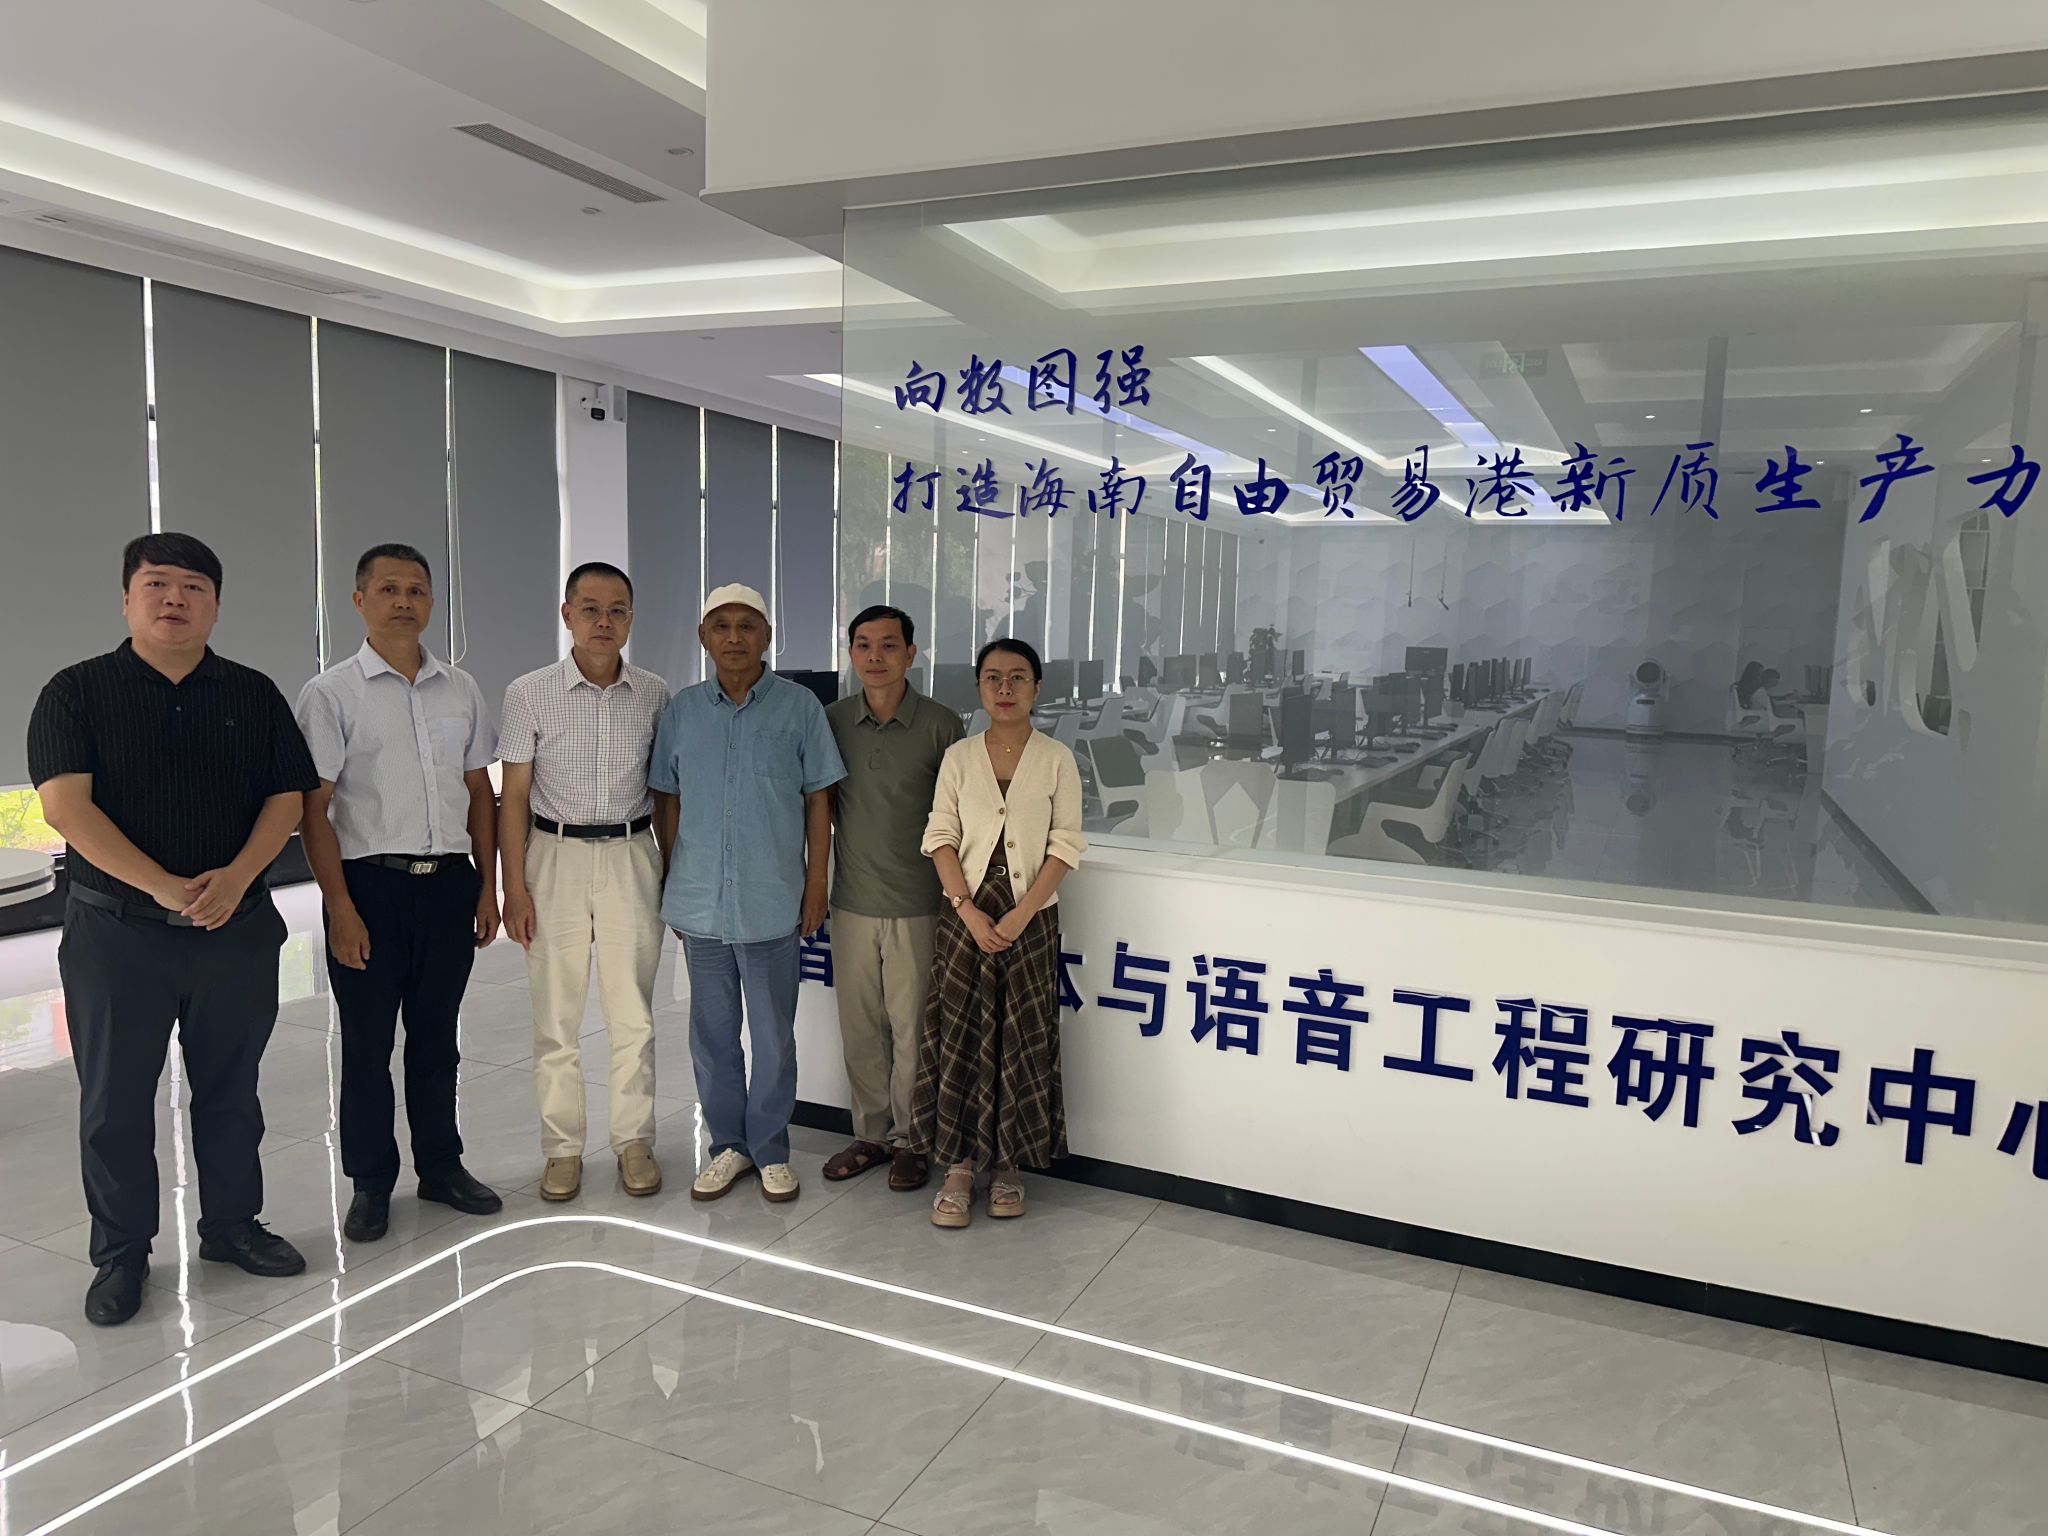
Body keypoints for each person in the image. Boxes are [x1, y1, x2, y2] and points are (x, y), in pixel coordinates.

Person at [28, 532, 317, 1326]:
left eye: (194, 587)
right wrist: (163, 885)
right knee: (115, 1102)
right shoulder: (75, 692)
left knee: (231, 1092)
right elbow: (65, 808)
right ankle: (121, 1254)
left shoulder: (253, 693)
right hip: (118, 935)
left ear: (216, 605)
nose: (175, 599)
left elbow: (287, 798)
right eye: (157, 583)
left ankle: (231, 1227)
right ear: (127, 599)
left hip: (234, 930)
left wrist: (239, 878)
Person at [295, 543, 502, 1245]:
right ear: (360, 601)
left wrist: (487, 888)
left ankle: (441, 1167)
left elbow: (479, 792)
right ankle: (371, 1182)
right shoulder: (330, 694)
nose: (404, 601)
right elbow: (314, 810)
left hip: (448, 886)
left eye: (416, 590)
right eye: (388, 589)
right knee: (367, 1045)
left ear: (432, 602)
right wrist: (340, 909)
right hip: (370, 888)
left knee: (437, 1039)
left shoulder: (461, 689)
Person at [649, 583, 844, 1205]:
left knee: (773, 1036)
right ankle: (727, 1146)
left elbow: (819, 800)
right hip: (701, 904)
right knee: (711, 1036)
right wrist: (675, 875)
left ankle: (770, 1148)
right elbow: (667, 800)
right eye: (721, 626)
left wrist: (817, 883)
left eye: (747, 626)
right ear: (704, 637)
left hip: (772, 901)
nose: (734, 637)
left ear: (767, 636)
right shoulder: (683, 710)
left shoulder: (799, 707)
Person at [498, 562, 671, 1202]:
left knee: (633, 1015)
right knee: (556, 1016)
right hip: (554, 856)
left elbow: (666, 790)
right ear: (566, 613)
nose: (604, 621)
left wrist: (672, 868)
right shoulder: (528, 692)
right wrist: (513, 888)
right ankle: (562, 1148)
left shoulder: (655, 694)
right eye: (591, 609)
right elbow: (514, 796)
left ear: (631, 619)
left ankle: (634, 1141)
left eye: (617, 610)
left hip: (631, 853)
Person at [915, 637, 1087, 1227]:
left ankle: (1008, 1164)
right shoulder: (959, 757)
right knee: (961, 1035)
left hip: (1029, 917)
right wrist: (966, 909)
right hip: (965, 914)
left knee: (1020, 1035)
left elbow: (1066, 844)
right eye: (993, 677)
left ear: (1037, 687)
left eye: (1018, 677)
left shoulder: (1058, 758)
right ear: (980, 688)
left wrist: (1022, 912)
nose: (1005, 687)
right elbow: (939, 835)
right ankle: (960, 1165)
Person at [820, 605, 964, 1193]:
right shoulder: (831, 720)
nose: (874, 656)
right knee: (860, 1028)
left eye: (887, 645)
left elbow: (958, 816)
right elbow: (820, 806)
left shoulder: (941, 725)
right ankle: (871, 1135)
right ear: (851, 653)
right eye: (863, 645)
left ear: (910, 653)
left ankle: (912, 1139)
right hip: (852, 899)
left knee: (913, 1030)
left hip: (919, 903)